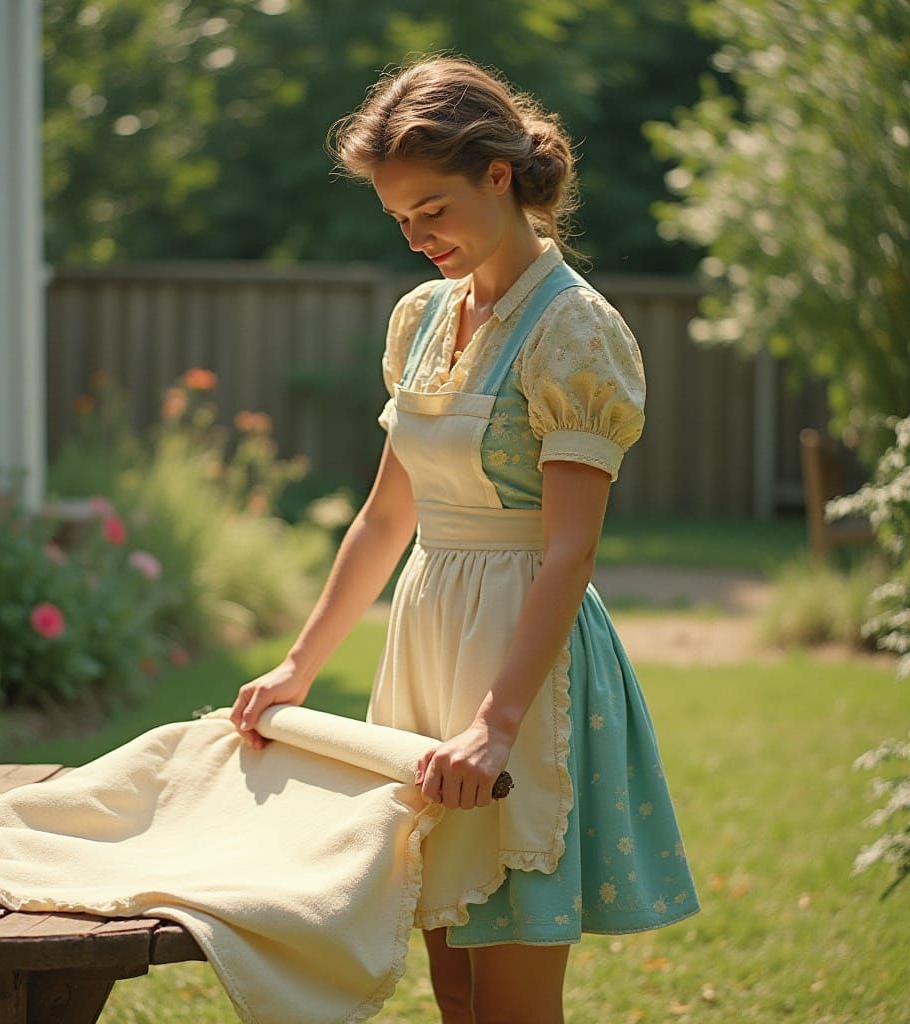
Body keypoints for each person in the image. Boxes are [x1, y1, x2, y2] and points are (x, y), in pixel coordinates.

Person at [229, 52, 700, 1024]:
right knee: (451, 979)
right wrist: (296, 666)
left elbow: (569, 549)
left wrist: (495, 722)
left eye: (432, 209)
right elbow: (384, 518)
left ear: (499, 175)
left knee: (512, 998)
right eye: (398, 217)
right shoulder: (421, 319)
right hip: (427, 639)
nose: (415, 237)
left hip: (522, 666)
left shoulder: (575, 331)